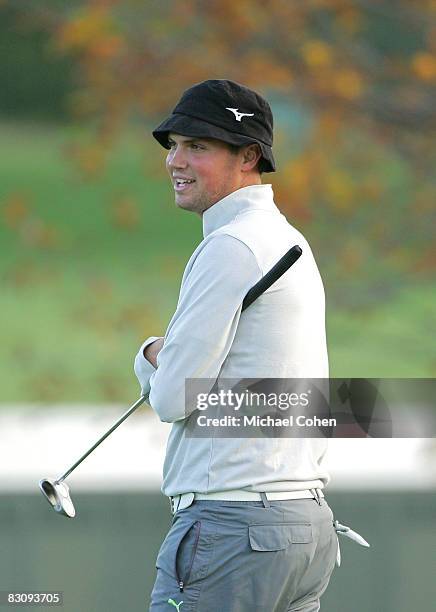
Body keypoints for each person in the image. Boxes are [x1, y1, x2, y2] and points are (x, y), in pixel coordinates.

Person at [134, 79, 337, 612]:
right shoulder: (289, 239)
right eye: (174, 145)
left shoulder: (230, 244)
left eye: (197, 146)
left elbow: (174, 398)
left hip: (233, 529)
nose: (176, 160)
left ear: (249, 156)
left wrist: (152, 354)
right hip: (303, 529)